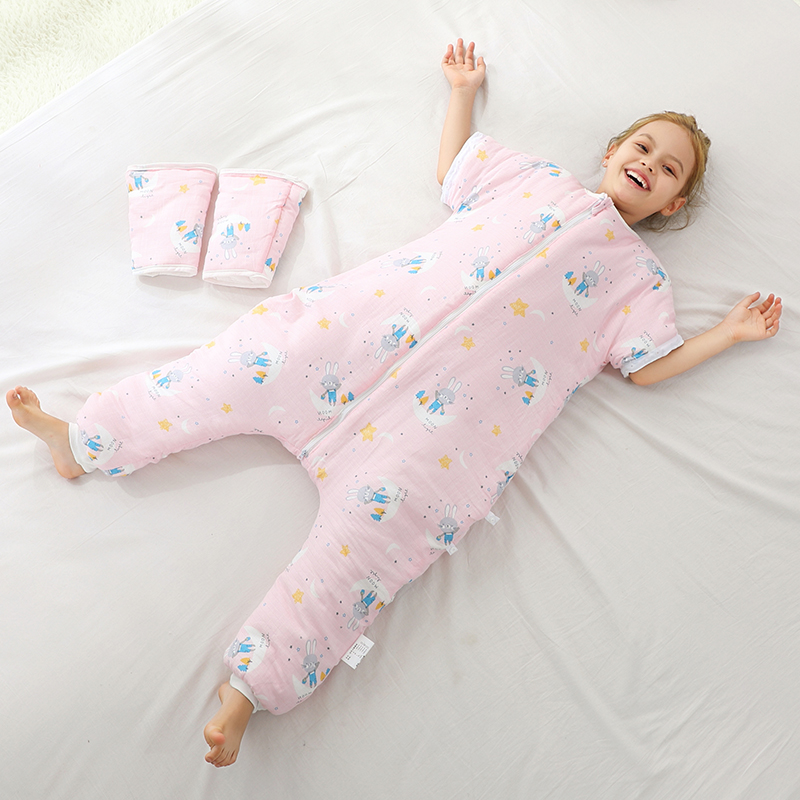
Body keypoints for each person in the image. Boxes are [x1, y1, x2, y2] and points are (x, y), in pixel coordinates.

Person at [6, 40, 782, 767]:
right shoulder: (535, 179)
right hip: (349, 339)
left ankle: (250, 688)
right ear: (611, 152)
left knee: (364, 555)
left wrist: (728, 334)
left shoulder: (640, 282)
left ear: (674, 205)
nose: (649, 164)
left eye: (669, 169)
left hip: (437, 439)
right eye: (642, 147)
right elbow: (455, 172)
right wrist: (462, 93)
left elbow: (648, 366)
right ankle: (87, 439)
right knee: (235, 367)